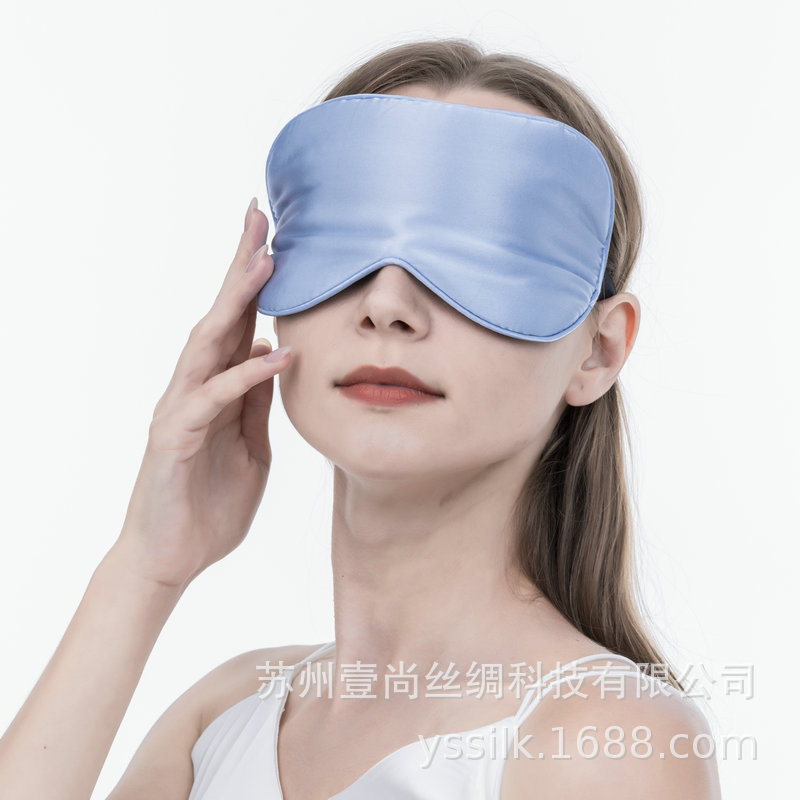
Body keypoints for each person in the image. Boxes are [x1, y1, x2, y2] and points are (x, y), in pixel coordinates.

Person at [0, 38, 722, 800]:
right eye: (345, 243)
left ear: (598, 351)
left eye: (477, 252)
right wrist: (146, 566)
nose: (386, 305)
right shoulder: (226, 715)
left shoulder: (607, 741)